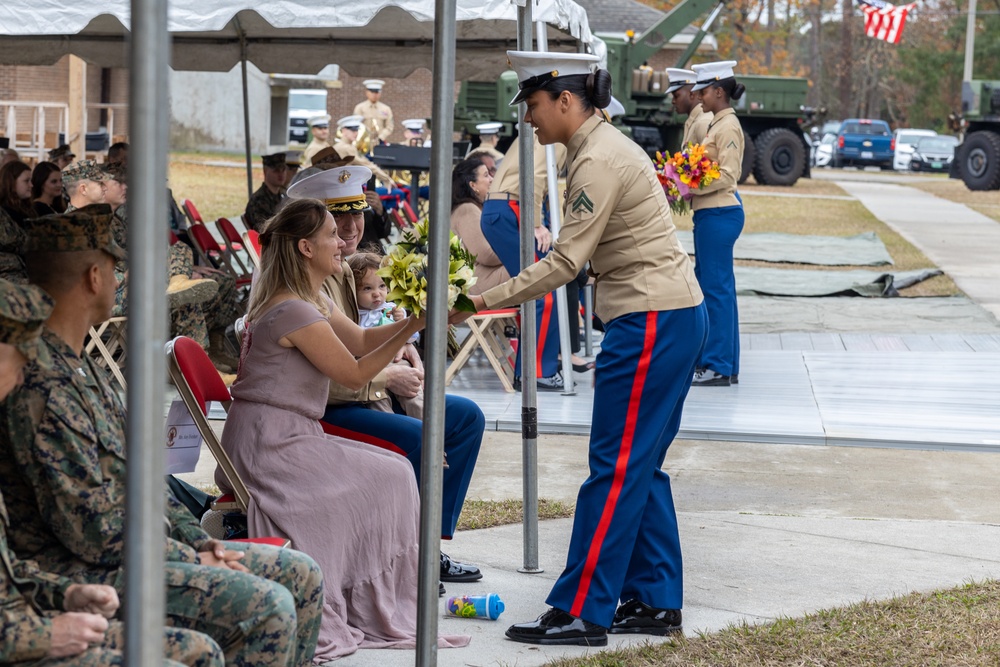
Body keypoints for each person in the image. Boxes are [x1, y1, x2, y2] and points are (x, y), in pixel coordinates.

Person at [452, 50, 707, 646]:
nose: (530, 120)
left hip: (651, 320)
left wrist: (479, 303)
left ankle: (582, 611)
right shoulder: (597, 150)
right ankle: (654, 597)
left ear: (566, 100)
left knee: (613, 468)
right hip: (667, 314)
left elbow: (565, 263)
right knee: (640, 465)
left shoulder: (596, 161)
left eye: (535, 106)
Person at [0, 207, 326, 666]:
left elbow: (146, 480)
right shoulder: (41, 386)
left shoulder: (82, 366)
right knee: (267, 605)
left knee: (302, 573)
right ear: (95, 276)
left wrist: (200, 541)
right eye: (116, 269)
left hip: (138, 552)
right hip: (86, 571)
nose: (120, 281)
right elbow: (89, 530)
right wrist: (188, 556)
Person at [219, 194, 470, 660]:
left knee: (393, 467)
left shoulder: (308, 299)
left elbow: (359, 339)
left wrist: (418, 317)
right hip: (270, 442)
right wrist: (417, 320)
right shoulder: (294, 309)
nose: (342, 243)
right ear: (305, 248)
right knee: (394, 473)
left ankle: (372, 596)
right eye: (332, 234)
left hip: (285, 432)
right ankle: (367, 601)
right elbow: (354, 372)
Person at [0, 279, 226, 667]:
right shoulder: (42, 397)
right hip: (23, 631)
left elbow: (11, 572)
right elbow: (92, 530)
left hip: (30, 614)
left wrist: (66, 596)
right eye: (19, 361)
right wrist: (42, 634)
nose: (23, 376)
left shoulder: (85, 369)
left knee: (200, 652)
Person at [287, 168, 485, 588]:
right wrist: (387, 380)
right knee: (416, 437)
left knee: (466, 417)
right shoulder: (308, 286)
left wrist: (418, 321)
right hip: (326, 409)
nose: (350, 227)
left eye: (357, 213)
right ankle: (404, 554)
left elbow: (360, 340)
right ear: (311, 229)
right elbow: (330, 377)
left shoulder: (342, 269)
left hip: (359, 395)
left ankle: (428, 543)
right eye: (336, 218)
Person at [480, 130, 567, 390]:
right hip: (513, 208)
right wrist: (537, 223)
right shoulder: (557, 133)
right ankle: (537, 371)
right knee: (543, 288)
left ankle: (538, 366)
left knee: (539, 288)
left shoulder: (543, 127)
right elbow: (537, 176)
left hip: (504, 208)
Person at [688, 60, 746, 387]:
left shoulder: (727, 127)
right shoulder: (716, 123)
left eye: (704, 90)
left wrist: (689, 184)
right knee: (719, 289)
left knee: (715, 291)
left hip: (720, 213)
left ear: (719, 91)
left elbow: (728, 174)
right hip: (712, 212)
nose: (699, 96)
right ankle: (726, 364)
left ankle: (718, 365)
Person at [347, 251, 423, 419]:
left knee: (415, 396)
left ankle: (426, 431)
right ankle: (394, 428)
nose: (377, 293)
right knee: (377, 401)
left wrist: (402, 322)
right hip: (369, 367)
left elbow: (411, 338)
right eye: (367, 288)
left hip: (395, 359)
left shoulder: (392, 310)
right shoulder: (352, 315)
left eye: (382, 286)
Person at [449, 156, 508, 294]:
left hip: (481, 278)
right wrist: (517, 250)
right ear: (473, 185)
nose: (492, 179)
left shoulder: (473, 208)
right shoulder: (467, 209)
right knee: (532, 263)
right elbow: (486, 255)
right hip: (477, 283)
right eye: (486, 175)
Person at [666, 68, 712, 145]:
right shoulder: (694, 120)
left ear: (692, 94)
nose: (673, 101)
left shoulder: (703, 122)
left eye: (676, 96)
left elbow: (708, 156)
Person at [244, 152, 287, 233]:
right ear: (265, 171)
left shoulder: (279, 196)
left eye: (283, 170)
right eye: (276, 170)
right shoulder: (259, 200)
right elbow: (263, 230)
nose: (281, 174)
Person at [354, 79, 394, 144]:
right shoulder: (360, 108)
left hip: (380, 141)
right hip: (363, 141)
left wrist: (381, 137)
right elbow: (356, 125)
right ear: (367, 93)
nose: (374, 95)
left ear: (380, 93)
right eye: (372, 92)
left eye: (377, 93)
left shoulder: (386, 109)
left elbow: (389, 126)